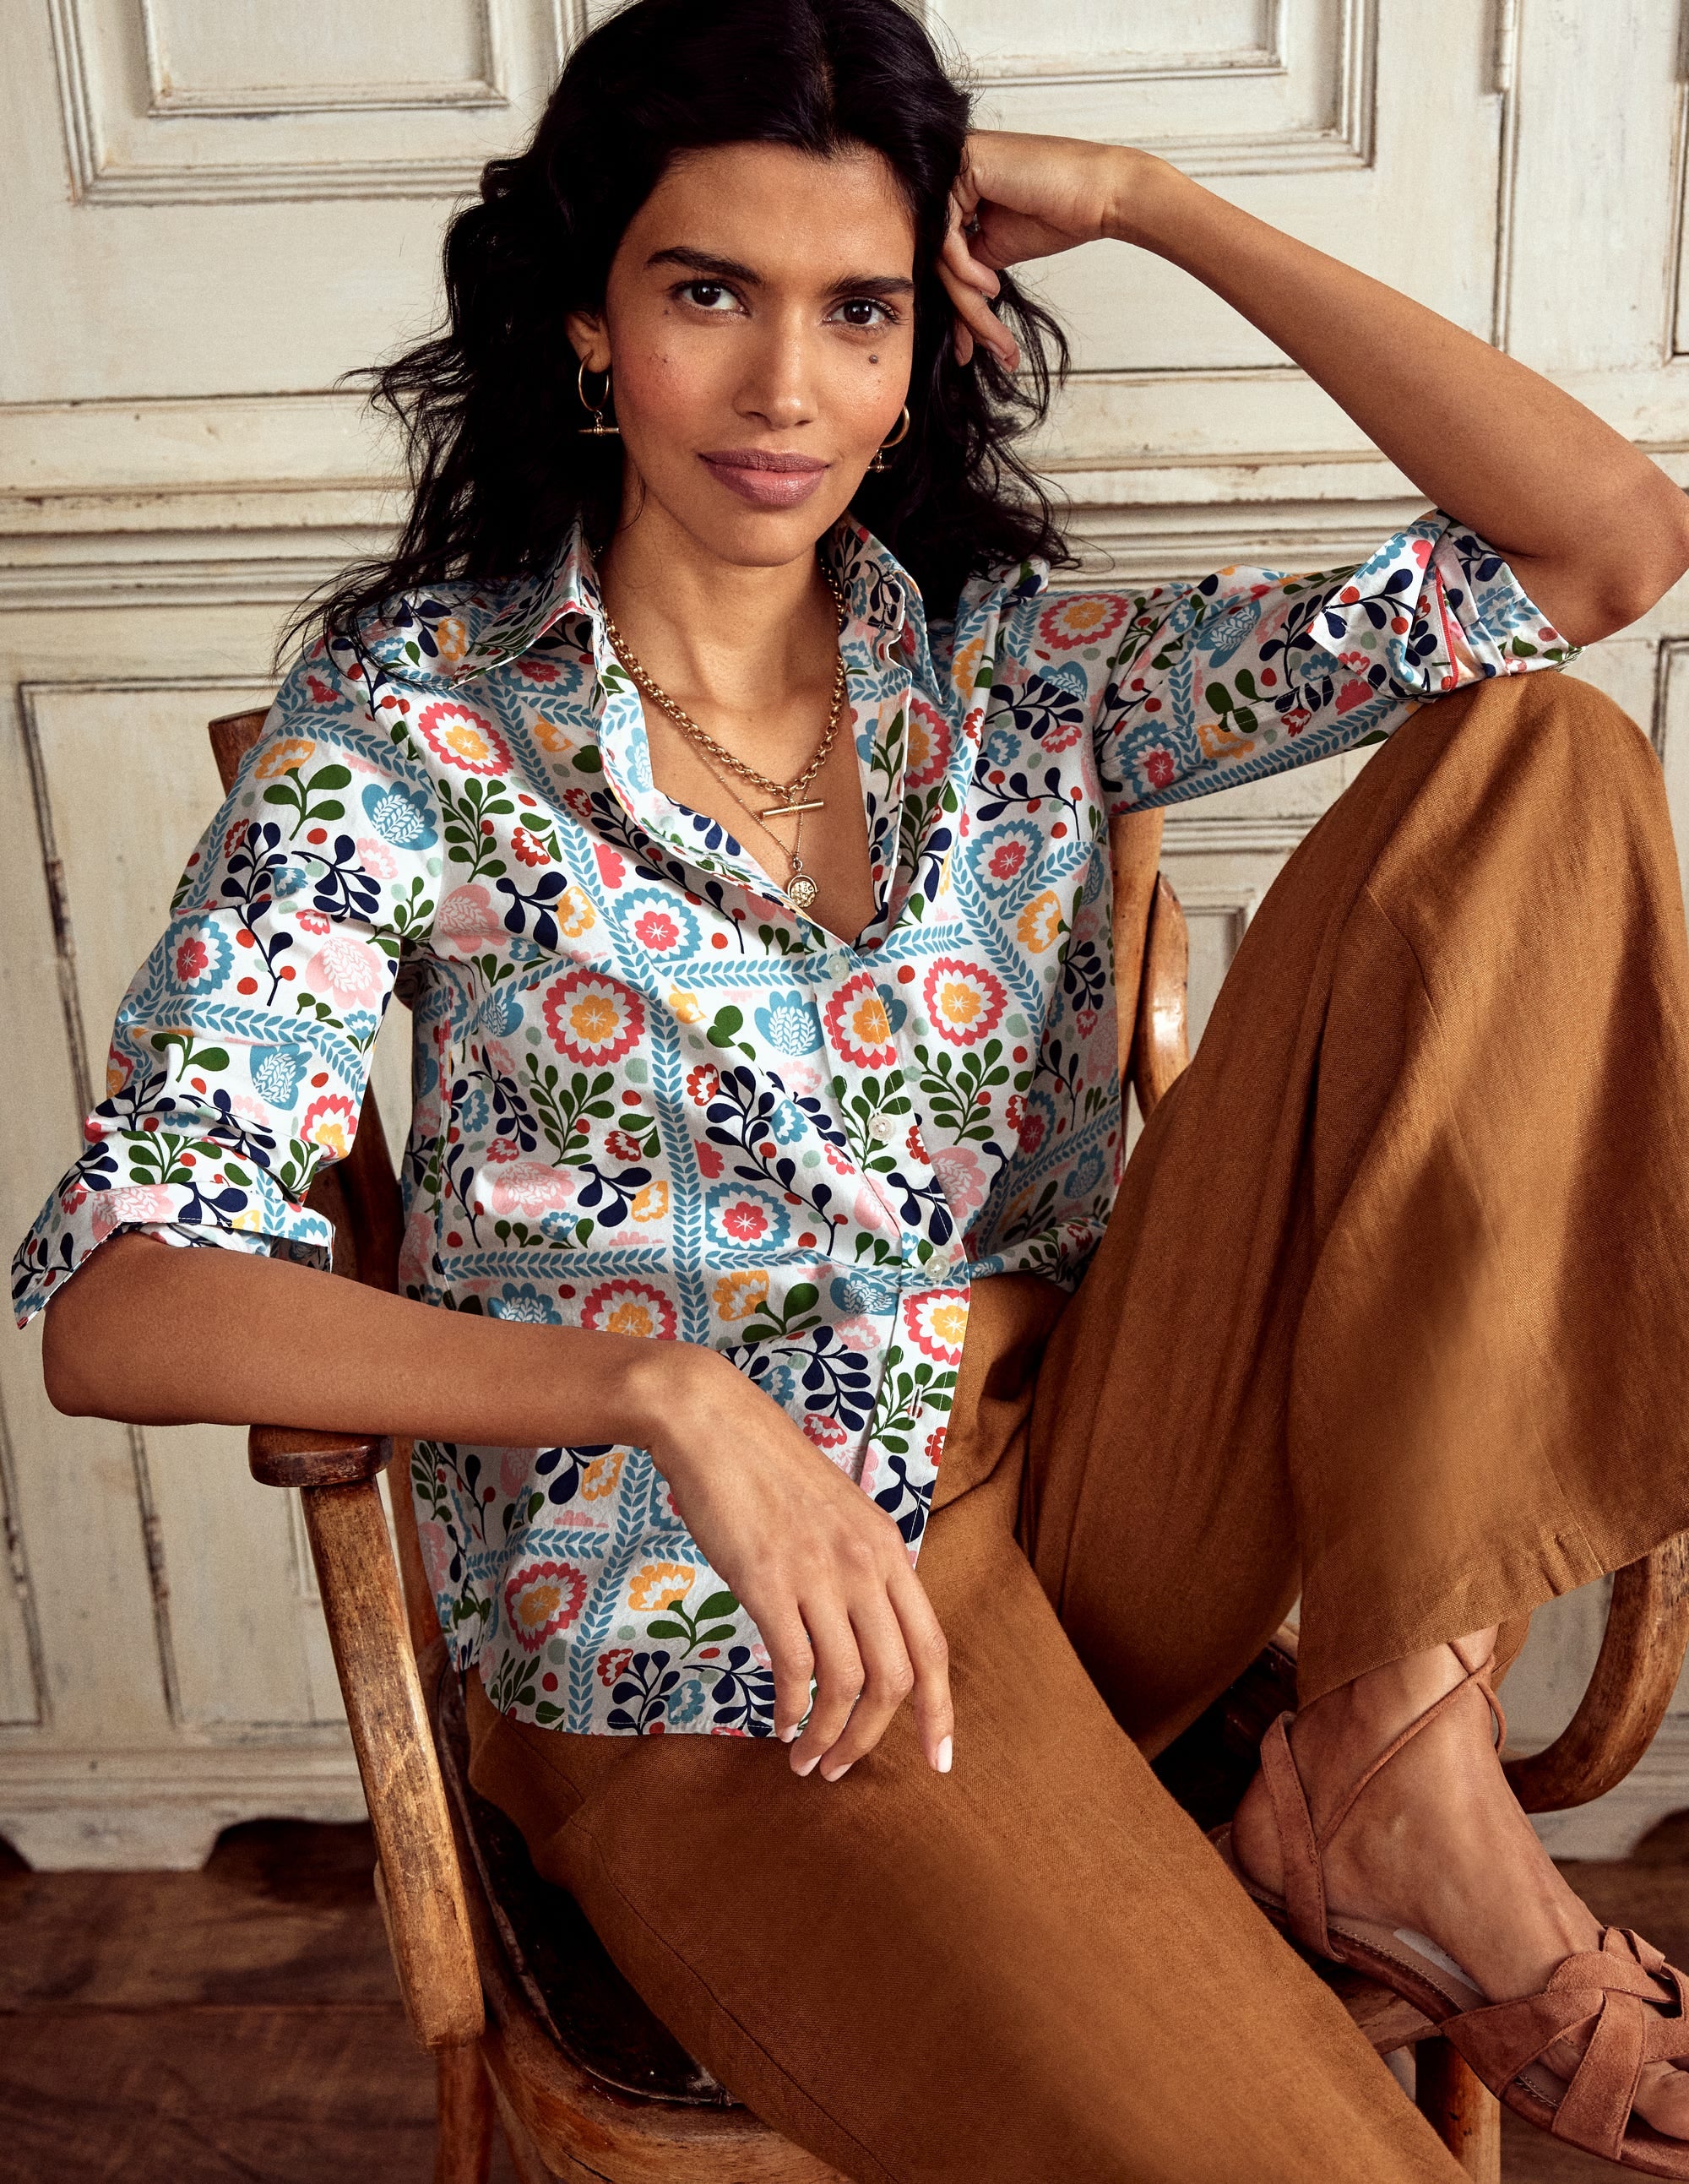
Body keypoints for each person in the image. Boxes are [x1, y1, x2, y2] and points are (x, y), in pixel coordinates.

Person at [19, 1, 1689, 2176]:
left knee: (1536, 755)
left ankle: (1384, 1761)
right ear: (587, 326)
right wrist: (660, 1398)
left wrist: (1157, 206)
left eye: (858, 308)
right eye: (708, 291)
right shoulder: (411, 723)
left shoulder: (1009, 679)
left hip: (1089, 1483)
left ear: (932, 347)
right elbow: (123, 1302)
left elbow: (1599, 550)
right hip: (718, 1644)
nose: (786, 387)